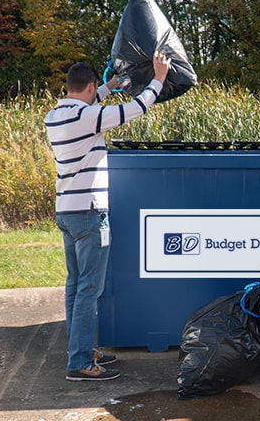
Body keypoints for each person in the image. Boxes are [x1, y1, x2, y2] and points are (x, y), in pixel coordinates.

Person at [45, 52, 171, 381]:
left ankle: (81, 349)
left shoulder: (54, 116)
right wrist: (158, 79)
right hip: (89, 212)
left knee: (75, 288)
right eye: (95, 91)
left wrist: (107, 87)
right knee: (89, 290)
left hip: (67, 212)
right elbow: (135, 109)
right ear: (88, 87)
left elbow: (88, 105)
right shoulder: (89, 118)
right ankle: (80, 363)